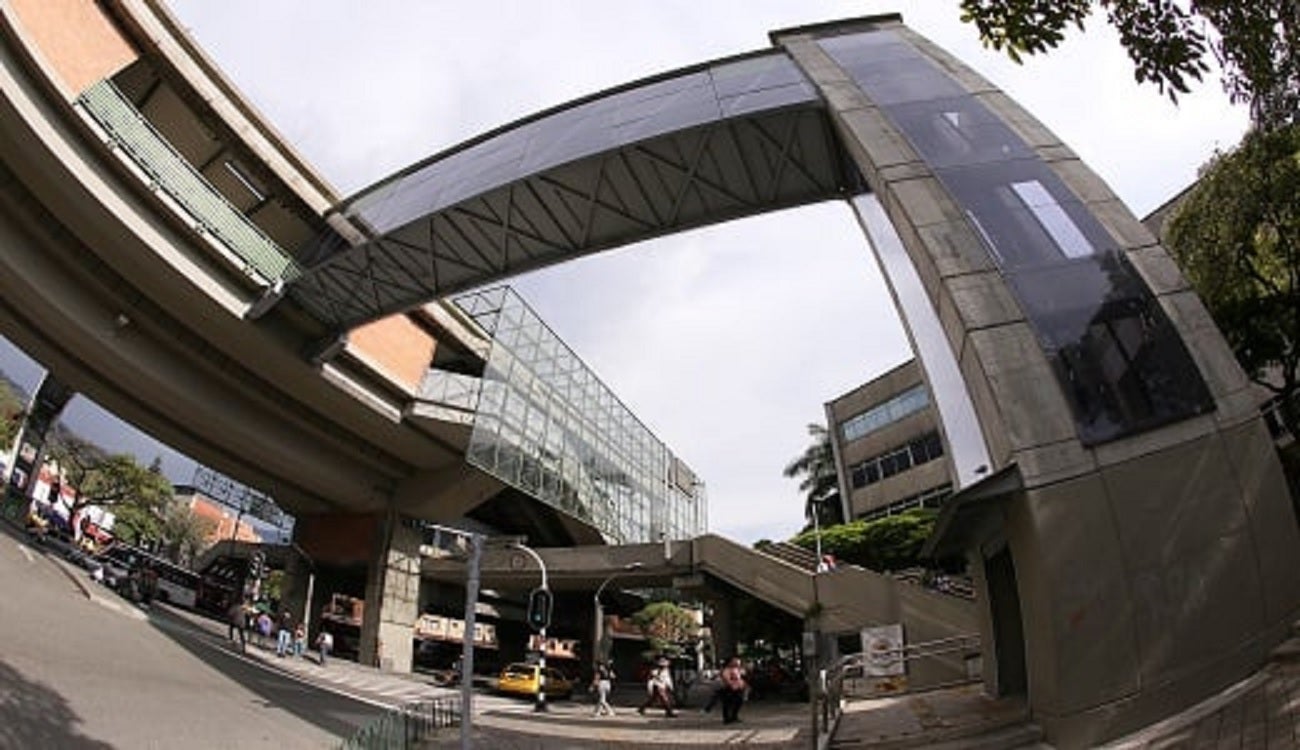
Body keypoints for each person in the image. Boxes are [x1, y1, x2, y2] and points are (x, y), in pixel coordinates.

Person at [719, 657, 748, 724]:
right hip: (729, 688)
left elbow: (742, 676)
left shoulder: (737, 669)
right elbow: (727, 679)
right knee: (727, 703)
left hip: (738, 688)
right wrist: (731, 685)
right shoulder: (727, 670)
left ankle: (734, 716)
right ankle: (727, 718)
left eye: (738, 662)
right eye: (735, 662)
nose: (737, 663)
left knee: (738, 702)